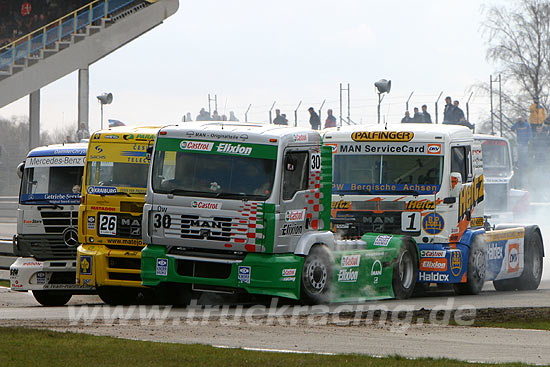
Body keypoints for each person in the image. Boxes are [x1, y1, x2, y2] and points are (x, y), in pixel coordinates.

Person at [511, 116, 532, 186]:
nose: (520, 120)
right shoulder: (517, 124)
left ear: (523, 119)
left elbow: (529, 132)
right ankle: (519, 163)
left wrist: (528, 139)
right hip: (519, 142)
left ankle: (525, 163)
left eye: (520, 119)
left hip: (525, 142)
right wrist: (516, 123)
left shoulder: (527, 124)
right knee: (519, 153)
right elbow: (512, 128)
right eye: (518, 119)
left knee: (525, 153)